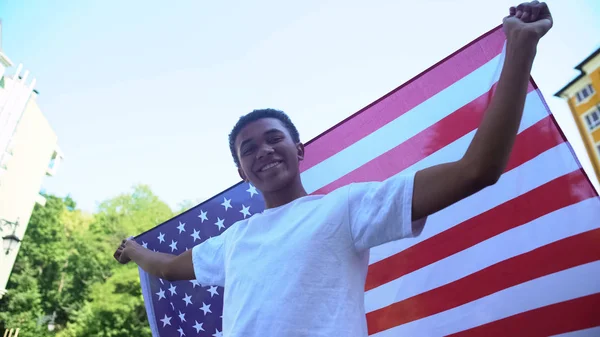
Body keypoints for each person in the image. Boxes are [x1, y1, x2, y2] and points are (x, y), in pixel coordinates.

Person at [114, 2, 553, 336]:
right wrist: (133, 250)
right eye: (248, 149)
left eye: (274, 139)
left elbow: (476, 170)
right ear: (242, 172)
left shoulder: (346, 207)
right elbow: (170, 268)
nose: (263, 151)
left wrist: (520, 49)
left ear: (298, 149)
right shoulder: (233, 241)